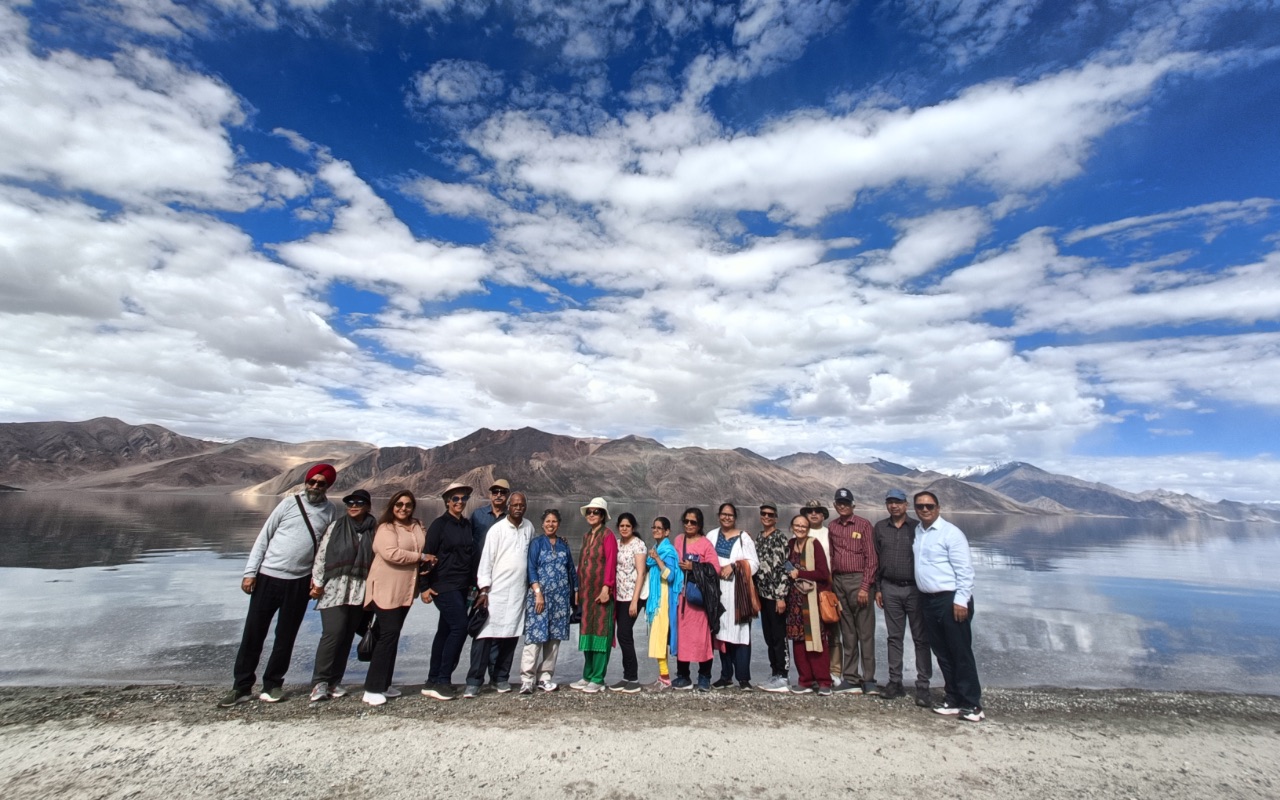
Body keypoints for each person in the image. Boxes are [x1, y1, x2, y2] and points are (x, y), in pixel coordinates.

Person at [219, 463, 338, 707]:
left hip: (299, 582)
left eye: (321, 483)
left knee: (286, 637)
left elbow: (325, 550)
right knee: (253, 634)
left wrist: (318, 581)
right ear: (306, 482)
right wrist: (250, 572)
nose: (315, 486)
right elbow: (264, 537)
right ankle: (241, 687)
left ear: (328, 486)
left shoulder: (330, 511)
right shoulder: (288, 504)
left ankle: (272, 685)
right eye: (311, 482)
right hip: (268, 577)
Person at [913, 491, 984, 722]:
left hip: (951, 600)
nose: (924, 510)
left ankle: (972, 703)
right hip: (928, 600)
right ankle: (953, 698)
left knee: (960, 651)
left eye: (929, 506)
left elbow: (965, 570)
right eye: (920, 506)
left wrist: (961, 600)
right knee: (942, 652)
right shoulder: (919, 532)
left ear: (938, 508)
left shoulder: (952, 534)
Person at [362, 490, 433, 706]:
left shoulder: (417, 525)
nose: (403, 508)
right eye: (399, 504)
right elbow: (391, 553)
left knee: (391, 634)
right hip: (385, 588)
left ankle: (384, 683)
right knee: (388, 635)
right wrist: (420, 557)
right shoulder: (386, 528)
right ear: (392, 506)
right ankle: (372, 688)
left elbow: (424, 545)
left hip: (404, 591)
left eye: (408, 505)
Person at [308, 488, 376, 702]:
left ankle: (334, 682)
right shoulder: (336, 526)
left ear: (367, 506)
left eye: (359, 503)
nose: (353, 506)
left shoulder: (374, 529)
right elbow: (321, 555)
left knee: (347, 635)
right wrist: (317, 583)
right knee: (333, 633)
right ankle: (319, 682)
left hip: (359, 591)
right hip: (334, 589)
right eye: (350, 503)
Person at [465, 491, 534, 698]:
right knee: (484, 636)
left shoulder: (529, 528)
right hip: (496, 592)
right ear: (509, 507)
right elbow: (486, 560)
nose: (518, 508)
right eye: (515, 505)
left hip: (517, 593)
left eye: (522, 505)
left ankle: (500, 677)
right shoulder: (497, 530)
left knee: (510, 635)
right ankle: (474, 681)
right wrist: (484, 589)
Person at [873, 488, 932, 707]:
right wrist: (878, 588)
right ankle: (895, 682)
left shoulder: (918, 528)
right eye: (889, 502)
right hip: (889, 588)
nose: (893, 506)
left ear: (906, 505)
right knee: (894, 637)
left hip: (915, 590)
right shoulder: (880, 528)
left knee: (920, 638)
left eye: (897, 502)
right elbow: (876, 560)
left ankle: (923, 686)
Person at [419, 481, 475, 701]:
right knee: (460, 628)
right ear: (447, 502)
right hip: (443, 585)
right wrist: (424, 587)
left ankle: (432, 680)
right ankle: (443, 680)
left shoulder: (466, 525)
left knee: (445, 630)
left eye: (463, 499)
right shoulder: (439, 525)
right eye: (455, 499)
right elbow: (426, 555)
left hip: (462, 586)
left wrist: (473, 585)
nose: (459, 502)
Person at [827, 488, 879, 695]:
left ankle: (869, 679)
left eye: (846, 503)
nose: (842, 506)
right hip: (839, 581)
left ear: (853, 505)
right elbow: (831, 555)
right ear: (835, 505)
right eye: (839, 503)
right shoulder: (832, 526)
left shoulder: (864, 525)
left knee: (865, 633)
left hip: (859, 581)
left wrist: (866, 587)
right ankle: (850, 677)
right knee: (847, 632)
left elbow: (872, 558)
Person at [521, 509, 577, 693]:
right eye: (548, 521)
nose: (551, 524)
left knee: (553, 640)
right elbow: (531, 568)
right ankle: (527, 679)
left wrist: (575, 591)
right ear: (542, 523)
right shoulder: (536, 543)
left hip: (560, 599)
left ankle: (545, 677)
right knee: (535, 637)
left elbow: (571, 570)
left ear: (558, 523)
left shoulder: (563, 545)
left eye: (554, 521)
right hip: (540, 599)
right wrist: (537, 592)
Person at [707, 502, 758, 690]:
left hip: (738, 593)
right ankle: (725, 676)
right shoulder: (712, 535)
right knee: (721, 632)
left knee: (741, 633)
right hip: (717, 592)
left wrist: (735, 567)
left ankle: (743, 678)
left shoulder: (744, 538)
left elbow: (754, 564)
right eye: (723, 514)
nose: (727, 517)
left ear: (735, 517)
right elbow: (705, 558)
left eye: (730, 515)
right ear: (719, 515)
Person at [570, 497, 617, 693]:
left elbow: (611, 562)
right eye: (589, 511)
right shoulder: (586, 536)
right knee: (587, 634)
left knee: (601, 633)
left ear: (603, 516)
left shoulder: (608, 536)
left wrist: (607, 587)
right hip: (586, 595)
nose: (591, 515)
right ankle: (587, 675)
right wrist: (577, 590)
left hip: (601, 594)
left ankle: (598, 678)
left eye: (595, 512)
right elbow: (582, 564)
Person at [672, 507, 722, 692]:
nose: (689, 525)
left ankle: (704, 677)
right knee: (682, 638)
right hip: (681, 597)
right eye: (686, 521)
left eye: (693, 522)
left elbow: (715, 569)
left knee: (702, 639)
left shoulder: (706, 544)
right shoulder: (678, 540)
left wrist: (695, 566)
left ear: (700, 524)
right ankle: (683, 675)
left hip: (699, 600)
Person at [467, 478, 510, 685]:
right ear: (490, 494)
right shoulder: (477, 515)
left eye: (502, 492)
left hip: (502, 581)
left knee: (498, 627)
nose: (498, 495)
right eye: (495, 491)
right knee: (480, 625)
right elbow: (467, 544)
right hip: (478, 580)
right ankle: (475, 677)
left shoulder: (512, 519)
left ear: (508, 495)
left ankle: (496, 675)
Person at [785, 514, 833, 695]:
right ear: (792, 526)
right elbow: (786, 566)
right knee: (798, 641)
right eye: (797, 525)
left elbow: (823, 573)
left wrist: (801, 573)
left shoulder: (814, 544)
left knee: (817, 640)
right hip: (794, 601)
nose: (800, 528)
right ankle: (804, 680)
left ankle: (823, 681)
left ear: (808, 528)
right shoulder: (790, 545)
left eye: (804, 526)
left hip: (811, 599)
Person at [800, 498, 841, 685]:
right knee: (811, 631)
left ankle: (835, 670)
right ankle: (814, 672)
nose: (813, 514)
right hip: (806, 588)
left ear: (823, 515)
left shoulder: (829, 533)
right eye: (810, 511)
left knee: (831, 627)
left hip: (828, 585)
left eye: (817, 511)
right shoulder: (802, 533)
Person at [752, 502, 791, 693]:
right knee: (768, 636)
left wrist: (781, 596)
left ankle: (783, 676)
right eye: (763, 513)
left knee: (779, 636)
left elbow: (784, 568)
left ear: (776, 517)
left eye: (770, 514)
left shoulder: (781, 538)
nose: (766, 517)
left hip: (777, 596)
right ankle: (774, 672)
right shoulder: (759, 537)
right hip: (763, 594)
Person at [609, 512, 647, 693]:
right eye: (622, 526)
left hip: (632, 596)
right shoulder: (616, 544)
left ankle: (633, 678)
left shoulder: (638, 545)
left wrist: (634, 601)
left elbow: (641, 573)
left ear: (633, 528)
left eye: (628, 526)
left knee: (624, 633)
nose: (624, 529)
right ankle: (626, 676)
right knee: (623, 635)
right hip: (618, 595)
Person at [644, 516, 682, 690]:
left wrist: (658, 559)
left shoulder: (669, 551)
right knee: (657, 636)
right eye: (654, 527)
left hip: (664, 599)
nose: (656, 530)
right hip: (656, 598)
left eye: (659, 528)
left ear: (667, 532)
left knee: (660, 636)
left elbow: (671, 575)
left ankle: (665, 677)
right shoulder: (655, 548)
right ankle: (663, 675)